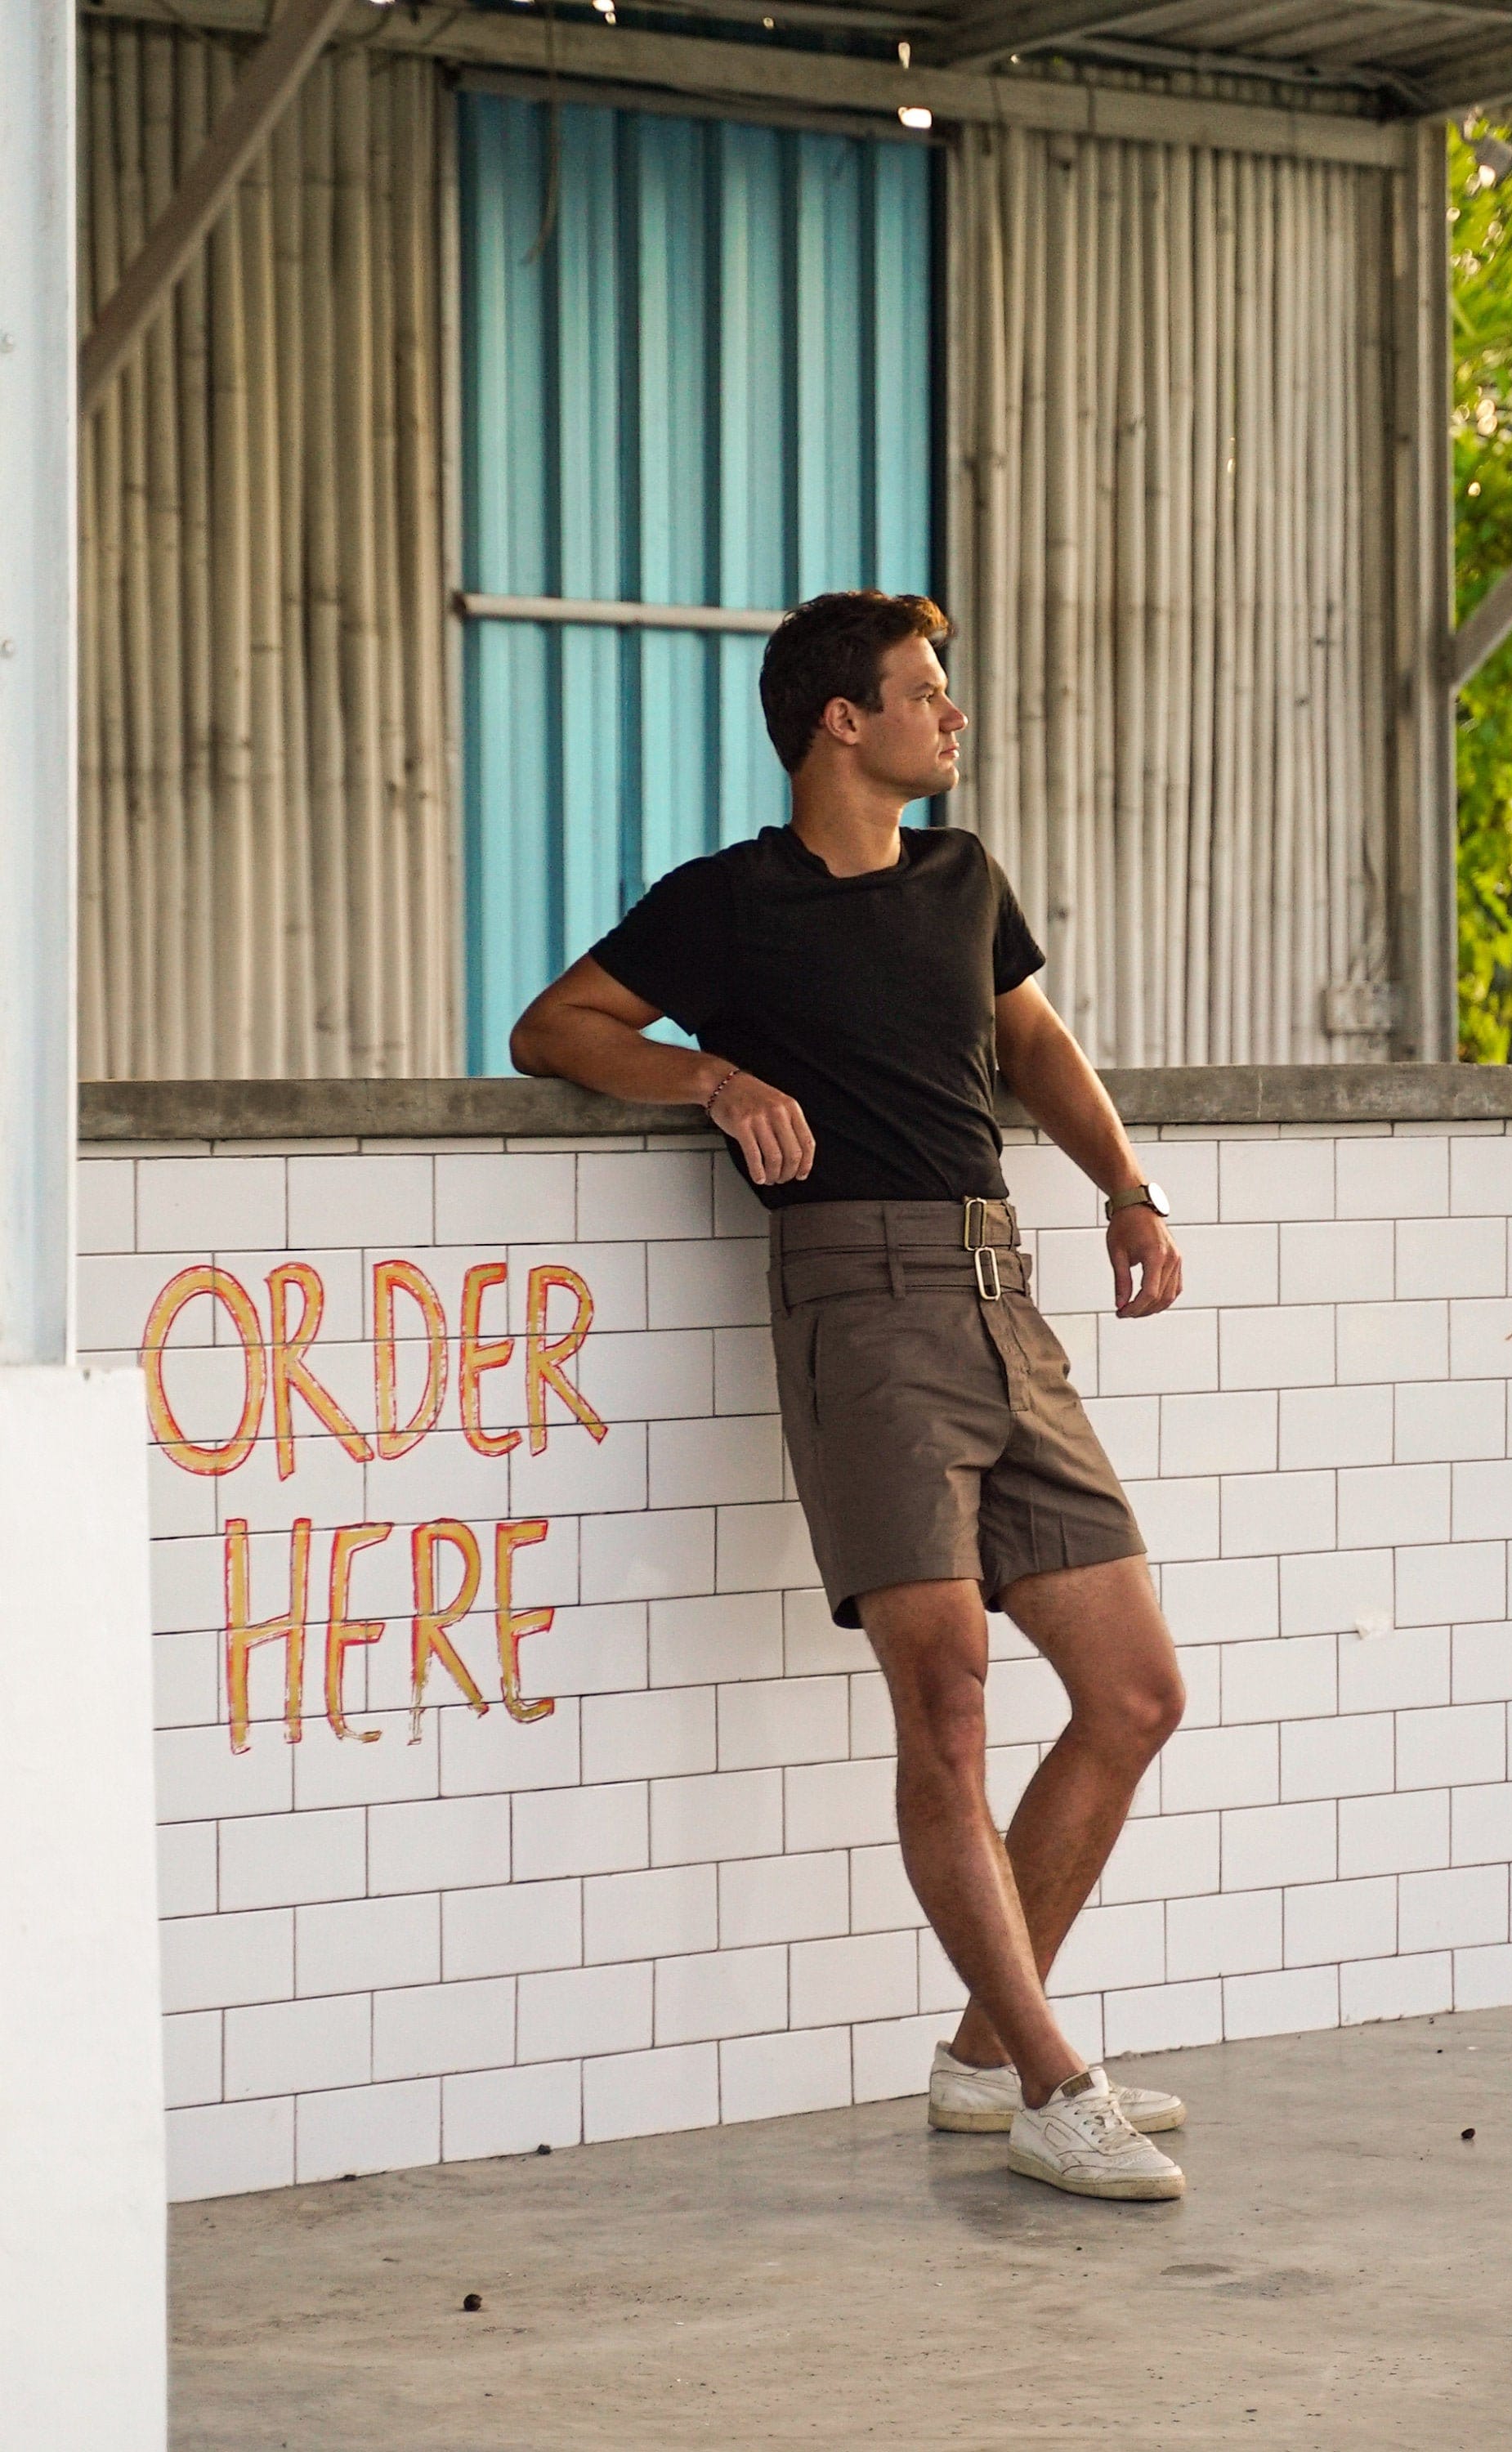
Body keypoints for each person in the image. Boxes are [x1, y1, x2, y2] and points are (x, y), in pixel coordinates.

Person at [511, 591, 1190, 2202]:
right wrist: (713, 1075)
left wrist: (1129, 1190)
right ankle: (1048, 2078)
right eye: (923, 693)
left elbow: (1035, 1046)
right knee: (948, 1706)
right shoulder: (731, 906)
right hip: (857, 1308)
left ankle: (979, 2061)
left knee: (1134, 1695)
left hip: (1000, 1295)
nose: (950, 719)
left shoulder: (965, 880)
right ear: (842, 720)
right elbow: (559, 1028)